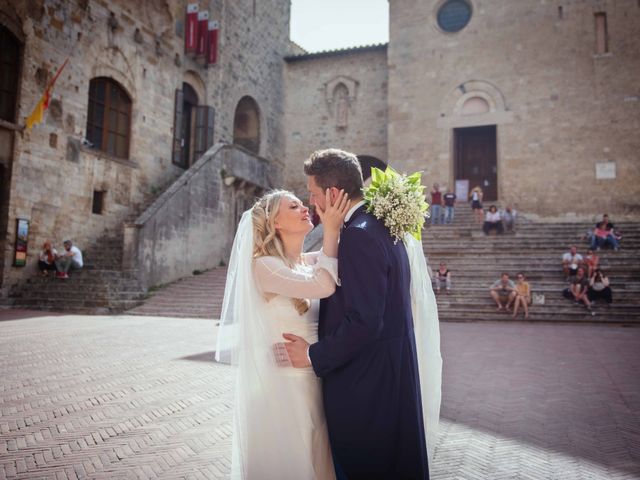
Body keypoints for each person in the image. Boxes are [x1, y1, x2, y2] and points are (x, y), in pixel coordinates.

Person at [284, 148, 440, 478]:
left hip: (367, 386)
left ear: (334, 194)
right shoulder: (379, 224)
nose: (312, 203)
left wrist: (314, 354)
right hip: (389, 374)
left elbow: (365, 321)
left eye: (313, 194)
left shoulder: (358, 236)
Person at [215, 188, 350, 479]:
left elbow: (332, 255)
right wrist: (330, 229)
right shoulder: (264, 266)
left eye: (303, 204)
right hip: (285, 387)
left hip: (315, 378)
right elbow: (324, 286)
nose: (304, 209)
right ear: (275, 222)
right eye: (294, 207)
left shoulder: (307, 262)